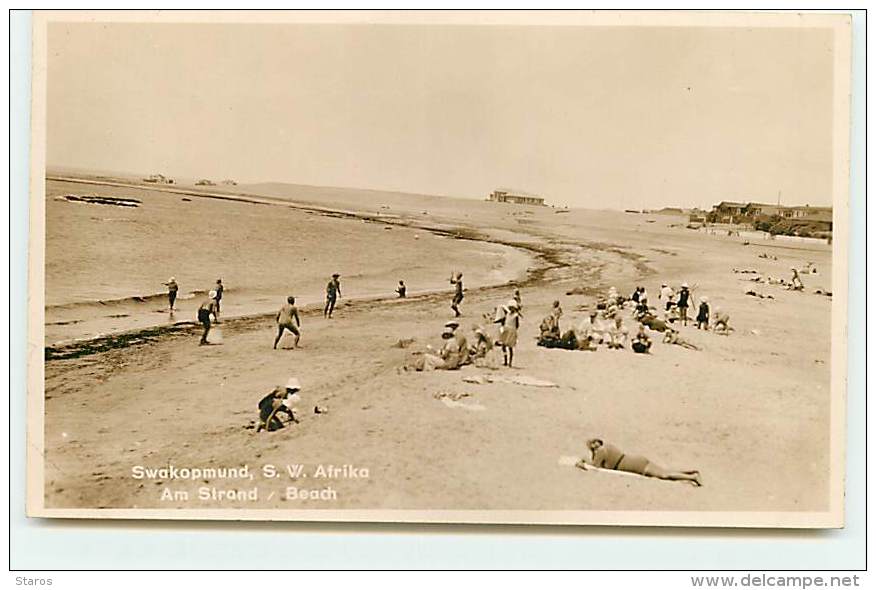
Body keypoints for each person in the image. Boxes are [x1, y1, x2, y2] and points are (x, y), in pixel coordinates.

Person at [575, 438, 702, 486]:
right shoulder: (607, 446)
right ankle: (690, 472)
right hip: (635, 460)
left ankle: (692, 477)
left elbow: (595, 467)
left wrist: (583, 463)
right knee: (665, 471)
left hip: (634, 465)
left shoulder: (601, 451)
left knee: (664, 475)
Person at [498, 300, 521, 367]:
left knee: (510, 348)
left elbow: (517, 325)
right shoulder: (507, 314)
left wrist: (513, 330)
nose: (511, 308)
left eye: (512, 307)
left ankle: (510, 362)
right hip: (506, 330)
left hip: (511, 330)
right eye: (510, 307)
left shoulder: (515, 315)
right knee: (503, 346)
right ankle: (505, 361)